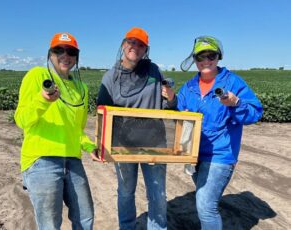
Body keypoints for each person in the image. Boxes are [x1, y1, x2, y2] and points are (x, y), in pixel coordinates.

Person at [177, 36, 263, 230]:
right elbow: (178, 113)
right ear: (195, 60)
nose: (206, 61)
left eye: (211, 56)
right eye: (201, 57)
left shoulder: (232, 82)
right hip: (194, 154)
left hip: (220, 154)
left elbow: (255, 113)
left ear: (218, 57)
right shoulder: (189, 87)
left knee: (206, 206)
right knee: (203, 200)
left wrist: (236, 103)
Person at [14, 32, 99, 230]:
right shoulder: (37, 75)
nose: (65, 55)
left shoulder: (82, 88)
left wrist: (89, 146)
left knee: (85, 217)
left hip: (72, 159)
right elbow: (21, 119)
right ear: (50, 54)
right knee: (50, 224)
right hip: (42, 159)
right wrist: (43, 100)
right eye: (58, 50)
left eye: (70, 51)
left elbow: (77, 129)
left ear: (76, 57)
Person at [97, 27, 176, 230]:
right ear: (124, 44)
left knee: (157, 194)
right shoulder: (110, 77)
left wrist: (172, 97)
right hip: (123, 146)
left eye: (141, 44)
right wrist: (102, 145)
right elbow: (102, 113)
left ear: (145, 49)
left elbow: (169, 105)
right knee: (125, 191)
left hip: (154, 143)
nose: (136, 47)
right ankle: (127, 227)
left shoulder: (154, 71)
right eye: (132, 42)